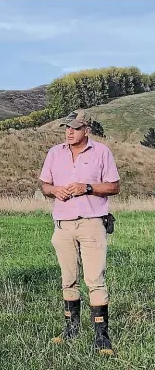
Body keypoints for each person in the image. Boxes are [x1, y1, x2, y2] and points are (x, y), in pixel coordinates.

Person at [39, 109, 120, 355]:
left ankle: (102, 337)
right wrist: (54, 191)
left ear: (87, 129)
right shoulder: (54, 153)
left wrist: (87, 187)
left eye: (75, 127)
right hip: (63, 225)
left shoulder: (102, 152)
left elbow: (114, 186)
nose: (69, 132)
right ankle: (71, 329)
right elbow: (44, 185)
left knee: (95, 280)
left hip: (92, 223)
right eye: (66, 127)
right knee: (68, 279)